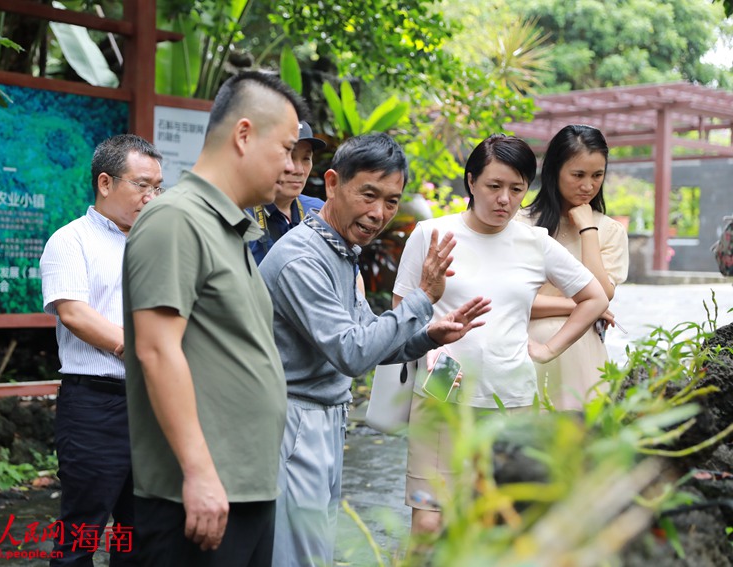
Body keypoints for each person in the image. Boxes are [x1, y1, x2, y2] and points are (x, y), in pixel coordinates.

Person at [258, 132, 492, 567]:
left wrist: (429, 337)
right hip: (293, 422)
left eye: (391, 200)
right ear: (331, 184)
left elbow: (368, 335)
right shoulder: (301, 259)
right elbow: (352, 353)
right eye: (368, 194)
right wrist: (422, 298)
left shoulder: (340, 251)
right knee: (297, 555)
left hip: (324, 418)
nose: (379, 213)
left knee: (315, 548)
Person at [122, 71, 307, 567]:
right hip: (198, 497)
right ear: (244, 135)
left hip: (244, 490)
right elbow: (157, 349)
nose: (291, 166)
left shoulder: (232, 229)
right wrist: (199, 472)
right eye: (286, 148)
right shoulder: (175, 220)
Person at [393, 134, 609, 536]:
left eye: (516, 188)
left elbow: (594, 297)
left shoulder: (534, 243)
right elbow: (399, 313)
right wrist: (428, 337)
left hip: (511, 397)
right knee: (428, 521)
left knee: (499, 524)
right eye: (494, 186)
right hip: (443, 390)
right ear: (471, 182)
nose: (504, 199)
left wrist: (547, 348)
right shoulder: (430, 234)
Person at [40, 133, 163, 566]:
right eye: (141, 185)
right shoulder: (70, 241)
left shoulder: (157, 243)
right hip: (96, 403)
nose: (151, 197)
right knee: (81, 531)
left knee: (139, 531)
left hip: (152, 405)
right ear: (106, 183)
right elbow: (73, 312)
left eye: (157, 187)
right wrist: (138, 348)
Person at [519, 124, 629, 410]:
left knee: (580, 444)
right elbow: (517, 300)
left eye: (597, 175)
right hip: (525, 348)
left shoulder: (610, 231)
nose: (588, 186)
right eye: (578, 175)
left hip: (582, 353)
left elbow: (603, 294)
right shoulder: (521, 225)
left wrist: (588, 229)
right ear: (555, 171)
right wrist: (582, 306)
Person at [248, 120, 326, 265]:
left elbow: (351, 273)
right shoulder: (241, 216)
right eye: (289, 156)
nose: (299, 170)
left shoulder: (320, 212)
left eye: (306, 158)